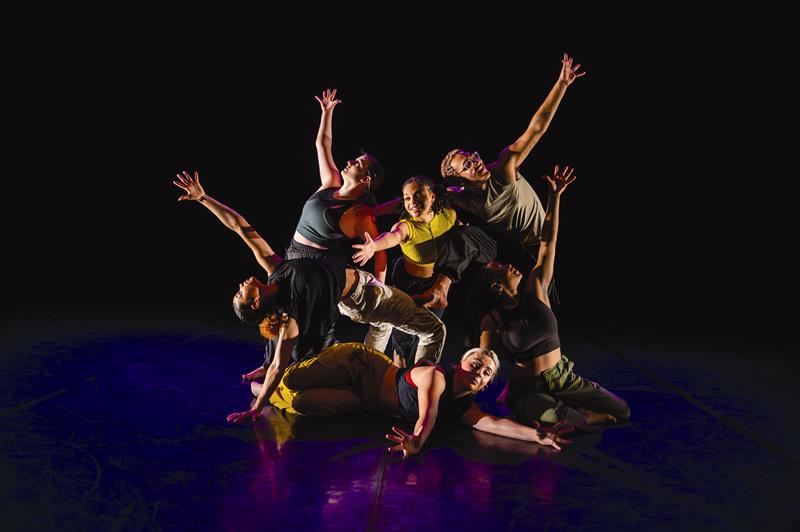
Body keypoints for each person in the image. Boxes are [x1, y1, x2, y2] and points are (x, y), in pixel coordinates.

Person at [173, 171, 445, 422]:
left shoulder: (277, 271)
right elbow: (280, 363)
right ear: (255, 302)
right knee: (433, 329)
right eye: (240, 293)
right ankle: (420, 389)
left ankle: (379, 384)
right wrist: (257, 405)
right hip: (365, 294)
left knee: (382, 328)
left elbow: (241, 228)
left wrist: (203, 199)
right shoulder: (288, 313)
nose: (240, 284)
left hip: (355, 301)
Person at [467, 165, 630, 430]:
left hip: (563, 377)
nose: (508, 265)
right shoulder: (494, 319)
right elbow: (484, 356)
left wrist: (555, 196)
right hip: (528, 386)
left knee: (621, 412)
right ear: (495, 288)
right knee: (561, 422)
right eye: (500, 269)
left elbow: (547, 242)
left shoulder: (536, 289)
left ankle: (564, 409)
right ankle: (554, 410)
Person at [427, 54, 586, 309]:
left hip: (540, 242)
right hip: (505, 247)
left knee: (536, 300)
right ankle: (441, 290)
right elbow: (416, 196)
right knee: (464, 236)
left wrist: (562, 84)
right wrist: (374, 211)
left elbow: (536, 129)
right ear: (459, 178)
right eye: (467, 165)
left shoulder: (505, 168)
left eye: (474, 157)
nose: (476, 162)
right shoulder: (459, 196)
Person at [253, 342, 571, 457]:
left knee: (301, 405)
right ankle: (271, 373)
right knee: (292, 378)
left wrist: (538, 436)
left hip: (362, 399)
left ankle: (263, 391)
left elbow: (494, 425)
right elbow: (427, 416)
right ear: (461, 365)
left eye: (487, 372)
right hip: (361, 365)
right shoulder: (436, 376)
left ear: (486, 383)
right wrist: (417, 441)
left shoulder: (464, 407)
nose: (480, 371)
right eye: (476, 364)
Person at [352, 176, 459, 367]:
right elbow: (392, 237)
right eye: (407, 198)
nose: (412, 203)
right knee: (403, 335)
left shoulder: (448, 215)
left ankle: (419, 381)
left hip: (435, 282)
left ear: (432, 196)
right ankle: (397, 378)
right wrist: (374, 246)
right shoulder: (405, 226)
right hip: (407, 282)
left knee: (430, 330)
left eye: (418, 195)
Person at [290, 88, 390, 281]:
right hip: (292, 255)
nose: (350, 162)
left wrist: (380, 288)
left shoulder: (360, 214)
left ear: (365, 179)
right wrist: (327, 113)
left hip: (314, 270)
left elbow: (380, 252)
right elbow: (323, 144)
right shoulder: (330, 182)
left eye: (358, 163)